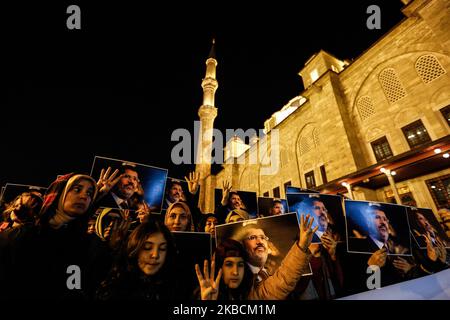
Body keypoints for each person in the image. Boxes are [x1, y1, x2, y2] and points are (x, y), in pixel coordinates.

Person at [0, 173, 98, 299]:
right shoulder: (21, 236)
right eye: (77, 189)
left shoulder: (81, 242)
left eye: (89, 193)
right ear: (59, 193)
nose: (84, 196)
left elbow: (74, 284)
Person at [197, 214, 317, 300]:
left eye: (262, 237)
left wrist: (301, 246)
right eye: (252, 237)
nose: (235, 272)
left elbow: (282, 280)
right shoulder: (206, 292)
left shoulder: (253, 293)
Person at [96, 218, 186, 300]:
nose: (155, 255)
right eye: (147, 247)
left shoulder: (175, 287)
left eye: (162, 248)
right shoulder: (116, 284)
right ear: (135, 249)